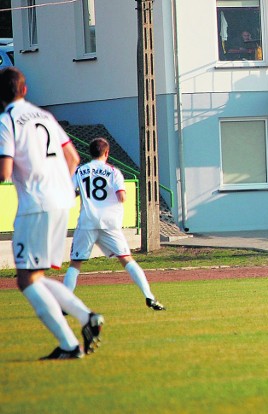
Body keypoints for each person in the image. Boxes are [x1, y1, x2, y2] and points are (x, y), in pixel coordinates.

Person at [0, 67, 104, 360]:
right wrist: (59, 185)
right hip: (62, 201)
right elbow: (73, 157)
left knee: (25, 280)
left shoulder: (7, 121)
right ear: (25, 90)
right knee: (36, 275)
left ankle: (70, 345)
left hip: (35, 204)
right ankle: (86, 318)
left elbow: (5, 172)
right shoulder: (45, 117)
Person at [63, 137, 166, 311]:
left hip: (87, 221)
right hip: (109, 223)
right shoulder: (113, 172)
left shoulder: (80, 171)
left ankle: (65, 304)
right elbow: (122, 197)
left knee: (76, 263)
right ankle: (149, 296)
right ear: (107, 152)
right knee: (126, 259)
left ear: (91, 152)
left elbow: (70, 194)